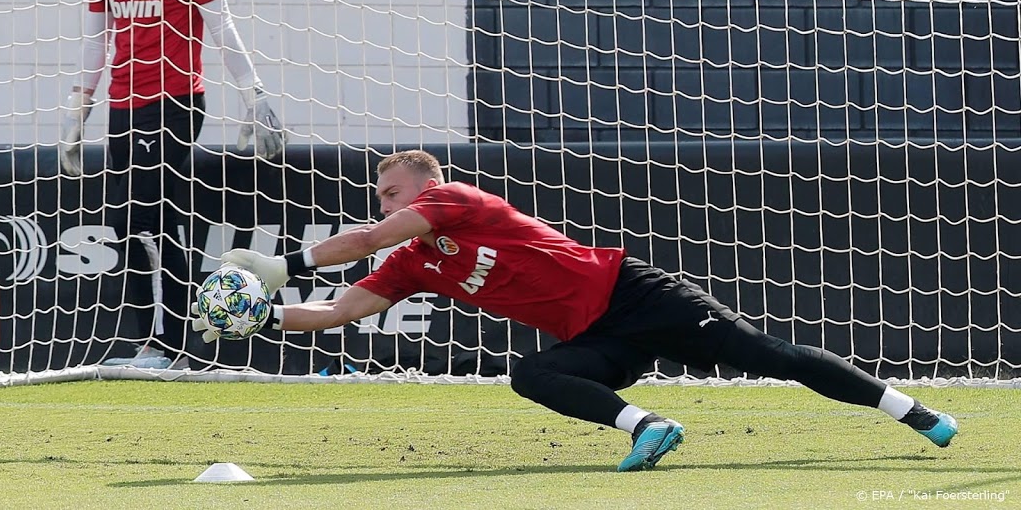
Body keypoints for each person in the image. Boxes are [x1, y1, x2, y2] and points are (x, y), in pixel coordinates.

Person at [193, 150, 958, 471]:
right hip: (590, 336)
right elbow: (336, 314)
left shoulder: (452, 201)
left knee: (767, 357)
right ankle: (647, 428)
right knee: (534, 376)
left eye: (392, 191)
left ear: (424, 185)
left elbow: (372, 236)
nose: (386, 204)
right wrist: (258, 319)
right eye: (382, 195)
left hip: (632, 293)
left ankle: (913, 411)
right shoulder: (410, 263)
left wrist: (281, 264)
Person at [61, 0, 287, 369]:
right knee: (131, 223)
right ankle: (167, 345)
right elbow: (98, 38)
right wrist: (78, 110)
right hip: (122, 103)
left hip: (176, 99)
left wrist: (254, 96)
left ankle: (172, 347)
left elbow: (221, 25)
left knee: (150, 219)